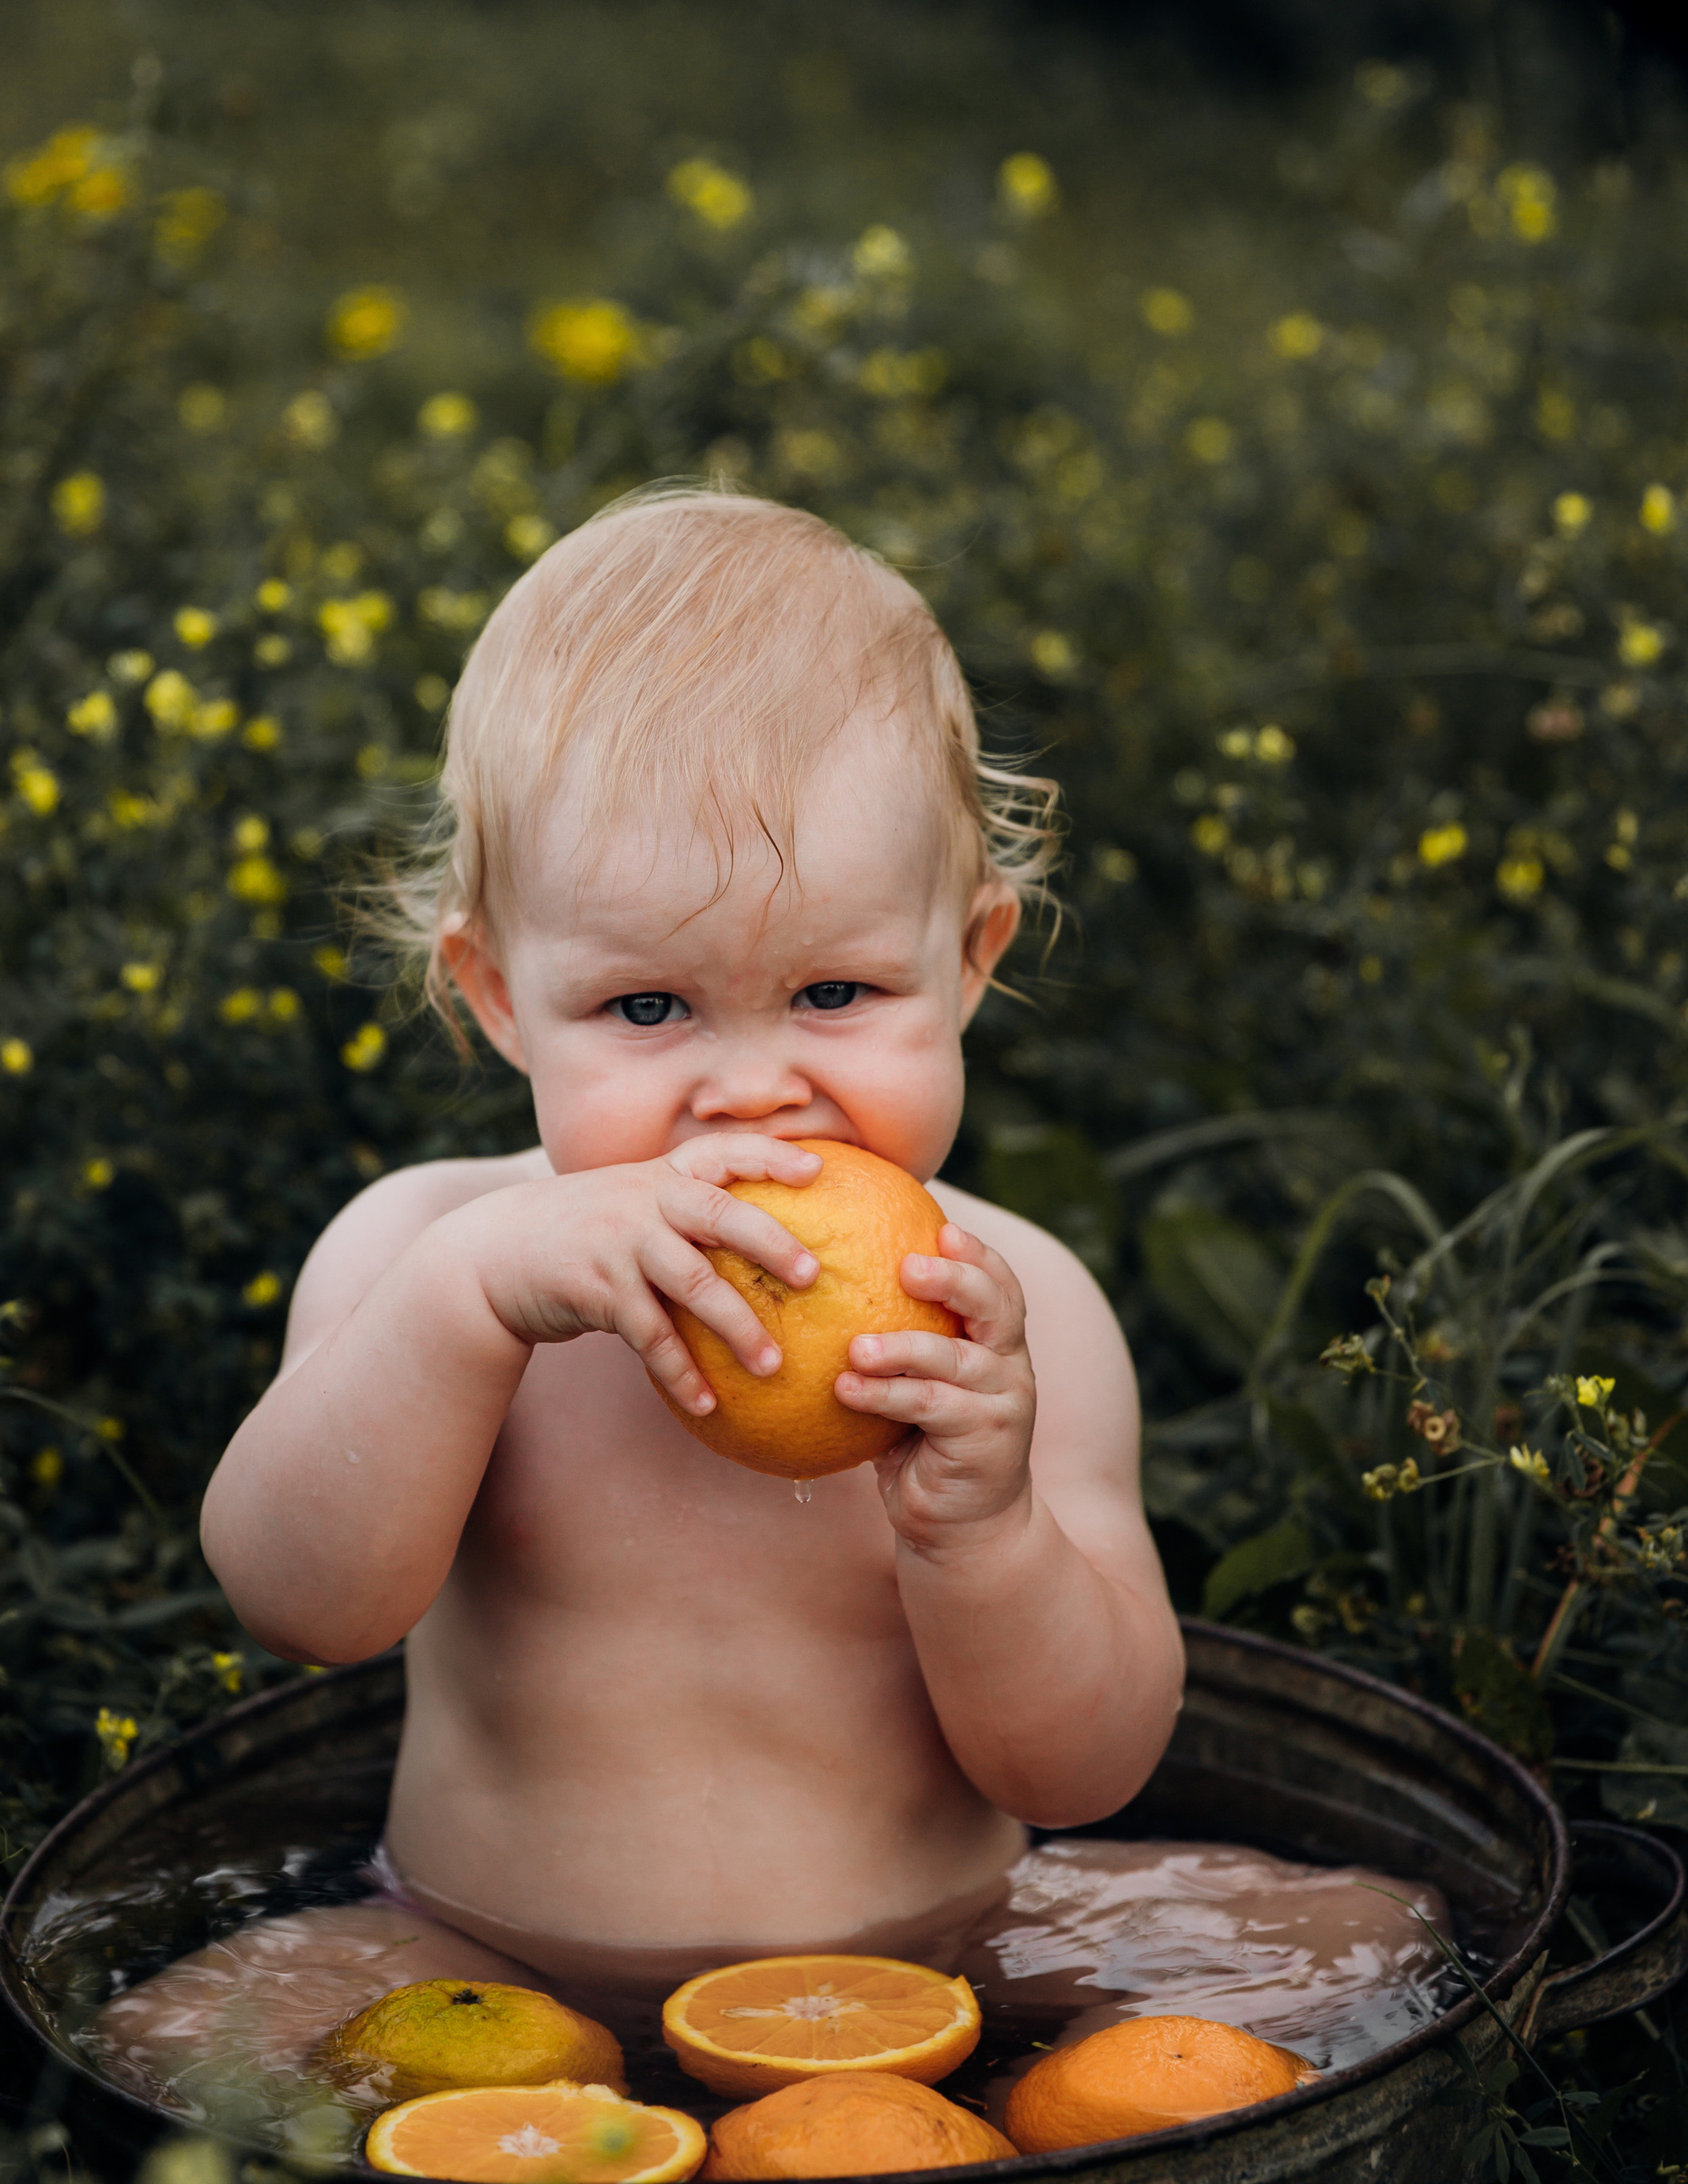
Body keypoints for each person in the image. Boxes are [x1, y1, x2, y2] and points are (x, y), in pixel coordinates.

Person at [195, 489, 1185, 2005]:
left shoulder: (1009, 1314)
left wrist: (983, 1540)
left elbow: (1085, 1774)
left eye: (837, 993)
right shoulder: (423, 1251)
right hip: (488, 1966)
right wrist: (465, 1308)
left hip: (930, 1978)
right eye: (648, 1010)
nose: (749, 1087)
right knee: (182, 2027)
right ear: (499, 997)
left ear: (969, 959)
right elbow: (301, 1605)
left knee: (1363, 1932)